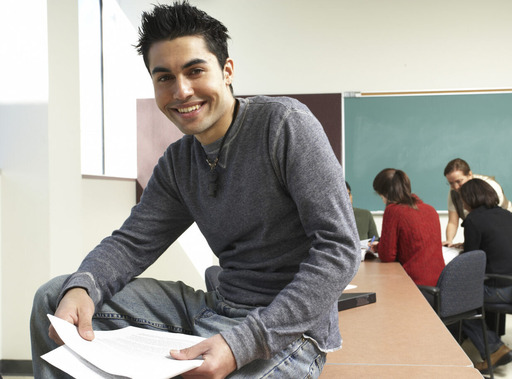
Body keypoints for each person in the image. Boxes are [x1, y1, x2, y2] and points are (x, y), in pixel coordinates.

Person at [30, 2, 360, 378]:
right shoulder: (178, 161)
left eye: (195, 70)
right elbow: (132, 243)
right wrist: (84, 286)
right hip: (215, 306)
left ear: (228, 71)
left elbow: (339, 249)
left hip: (288, 332)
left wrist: (244, 342)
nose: (182, 90)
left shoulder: (284, 125)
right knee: (54, 297)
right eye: (164, 77)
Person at [458, 178, 512, 374]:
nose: (461, 204)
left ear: (469, 199)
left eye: (462, 199)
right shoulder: (507, 215)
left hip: (501, 289)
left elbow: (472, 261)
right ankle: (489, 343)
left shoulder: (473, 220)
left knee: (457, 302)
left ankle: (494, 349)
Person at [369, 169, 444, 286]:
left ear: (384, 193)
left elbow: (387, 256)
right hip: (439, 283)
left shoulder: (393, 210)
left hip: (415, 285)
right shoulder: (430, 209)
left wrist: (378, 247)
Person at [442, 158, 512, 247]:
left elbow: (491, 221)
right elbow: (452, 222)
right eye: (451, 183)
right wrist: (449, 240)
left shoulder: (489, 186)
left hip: (505, 221)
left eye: (459, 181)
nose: (455, 187)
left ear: (470, 174)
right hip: (480, 223)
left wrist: (470, 243)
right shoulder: (453, 192)